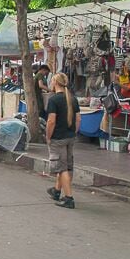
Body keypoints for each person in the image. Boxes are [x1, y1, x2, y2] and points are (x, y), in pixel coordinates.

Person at [45, 73, 80, 209]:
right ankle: (57, 190)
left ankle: (69, 198)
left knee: (61, 168)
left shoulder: (54, 100)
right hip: (70, 137)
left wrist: (48, 136)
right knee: (67, 166)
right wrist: (73, 133)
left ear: (55, 82)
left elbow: (51, 121)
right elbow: (78, 119)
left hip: (58, 137)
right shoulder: (73, 99)